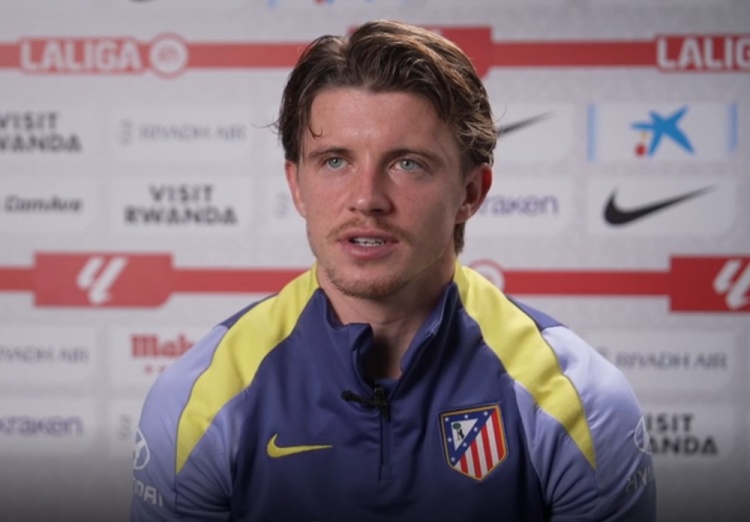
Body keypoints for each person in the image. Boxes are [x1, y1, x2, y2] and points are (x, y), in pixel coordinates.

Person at [131, 19, 656, 521]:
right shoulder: (199, 399)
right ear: (296, 186)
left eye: (407, 163)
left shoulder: (579, 401)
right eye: (335, 160)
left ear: (471, 192)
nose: (366, 199)